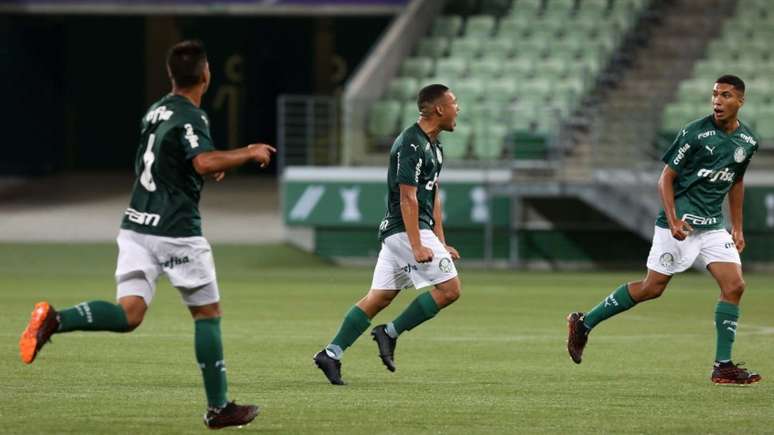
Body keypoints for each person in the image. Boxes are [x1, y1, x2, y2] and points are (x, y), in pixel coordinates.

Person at [18, 40, 276, 428]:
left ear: (171, 74)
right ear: (206, 75)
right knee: (207, 314)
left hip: (137, 225)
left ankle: (55, 319)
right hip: (175, 231)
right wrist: (248, 151)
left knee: (130, 313)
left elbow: (165, 161)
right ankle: (219, 407)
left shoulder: (156, 110)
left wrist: (200, 167)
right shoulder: (192, 116)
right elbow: (203, 160)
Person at [567, 75, 761, 385]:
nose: (717, 101)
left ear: (740, 101)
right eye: (714, 95)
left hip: (713, 226)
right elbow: (666, 178)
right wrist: (672, 220)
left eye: (725, 95)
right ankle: (584, 323)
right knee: (652, 288)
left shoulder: (747, 142)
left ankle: (722, 366)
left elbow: (736, 181)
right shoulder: (695, 134)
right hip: (681, 223)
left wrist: (737, 227)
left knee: (735, 286)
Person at [313, 84, 462, 385]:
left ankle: (331, 353)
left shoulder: (435, 147)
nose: (458, 108)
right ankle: (389, 332)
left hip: (407, 232)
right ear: (438, 109)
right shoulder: (410, 144)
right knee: (450, 290)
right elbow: (408, 197)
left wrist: (441, 240)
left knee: (379, 297)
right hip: (406, 230)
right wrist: (418, 244)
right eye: (454, 102)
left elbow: (432, 195)